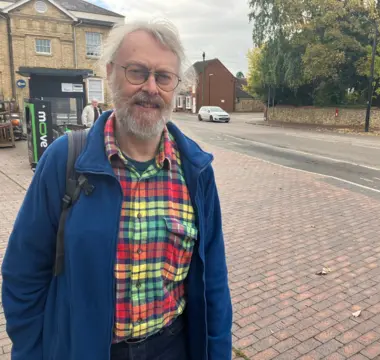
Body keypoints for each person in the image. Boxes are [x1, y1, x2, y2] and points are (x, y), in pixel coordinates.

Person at [2, 19, 232, 360]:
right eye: (137, 72)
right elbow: (23, 275)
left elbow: (213, 281)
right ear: (110, 74)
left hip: (172, 347)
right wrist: (32, 352)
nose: (151, 87)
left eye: (164, 77)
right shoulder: (65, 160)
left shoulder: (196, 172)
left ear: (176, 86)